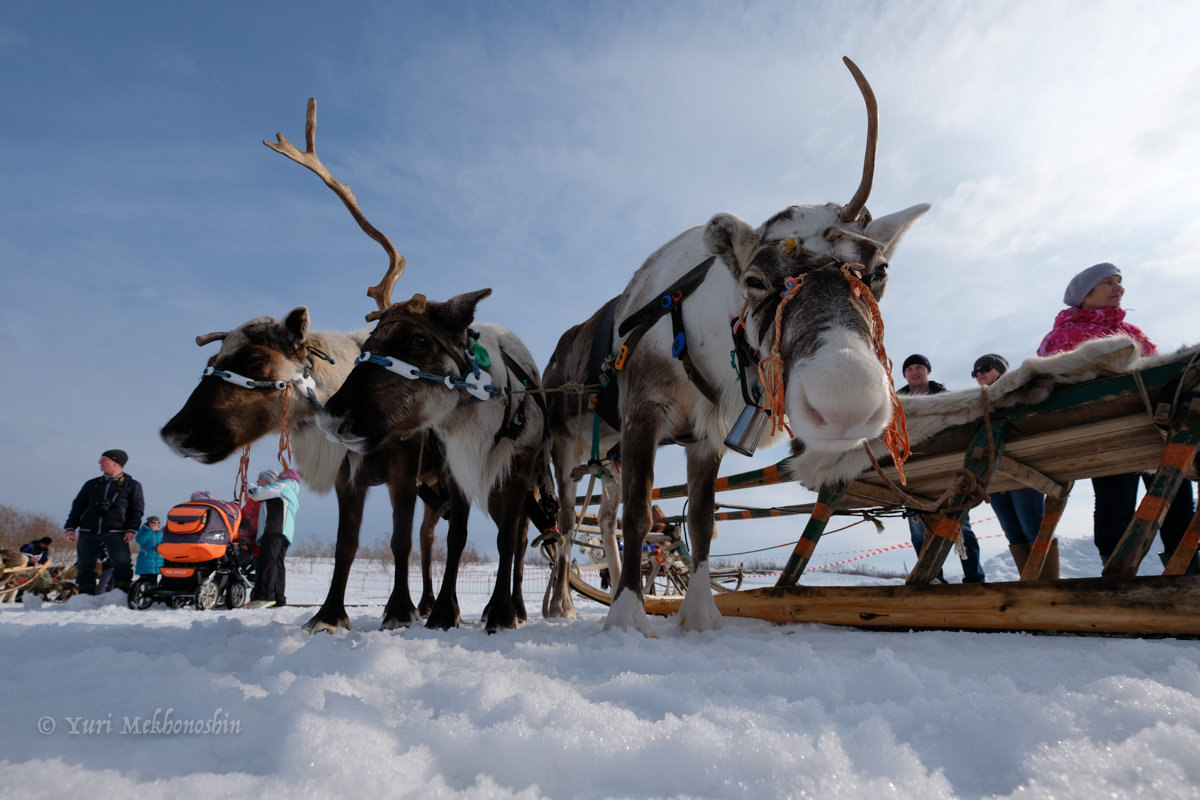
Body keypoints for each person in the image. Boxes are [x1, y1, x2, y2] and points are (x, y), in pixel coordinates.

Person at [1037, 263, 1198, 573]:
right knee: (1115, 505)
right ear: (1085, 295)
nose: (1118, 288)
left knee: (1176, 500)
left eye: (1119, 282)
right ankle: (1116, 578)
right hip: (1110, 431)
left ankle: (1187, 575)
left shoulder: (1132, 334)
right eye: (1108, 282)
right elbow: (1058, 381)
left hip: (1156, 428)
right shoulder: (1064, 336)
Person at [898, 354, 985, 583]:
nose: (914, 372)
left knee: (960, 526)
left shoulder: (946, 399)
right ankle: (932, 578)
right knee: (918, 530)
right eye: (909, 369)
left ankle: (974, 579)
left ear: (927, 371)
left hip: (946, 469)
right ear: (905, 375)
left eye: (919, 367)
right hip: (912, 473)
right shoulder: (895, 404)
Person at [972, 353, 1054, 577]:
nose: (979, 373)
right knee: (1013, 533)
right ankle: (1029, 583)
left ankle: (1047, 583)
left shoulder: (1021, 391)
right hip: (995, 476)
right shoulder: (976, 402)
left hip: (1021, 470)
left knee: (1032, 529)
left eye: (985, 368)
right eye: (975, 372)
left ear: (1000, 369)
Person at [64, 449, 144, 595]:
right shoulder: (91, 484)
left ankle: (122, 594)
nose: (99, 462)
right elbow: (78, 506)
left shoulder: (132, 485)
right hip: (88, 530)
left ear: (116, 463)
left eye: (104, 460)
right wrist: (70, 527)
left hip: (116, 531)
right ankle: (85, 595)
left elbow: (137, 509)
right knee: (85, 565)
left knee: (122, 564)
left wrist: (131, 529)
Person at [246, 468, 301, 607]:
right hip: (282, 532)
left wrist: (251, 486)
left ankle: (267, 597)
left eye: (260, 479)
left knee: (268, 562)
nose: (258, 481)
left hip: (274, 531)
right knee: (277, 564)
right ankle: (278, 598)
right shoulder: (288, 490)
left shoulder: (282, 486)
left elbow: (256, 493)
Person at [134, 516, 164, 581]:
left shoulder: (160, 533)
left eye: (159, 523)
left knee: (154, 581)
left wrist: (160, 547)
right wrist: (151, 530)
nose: (156, 524)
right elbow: (140, 540)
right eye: (154, 522)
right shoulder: (143, 531)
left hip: (157, 562)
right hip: (146, 560)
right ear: (148, 523)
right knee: (145, 580)